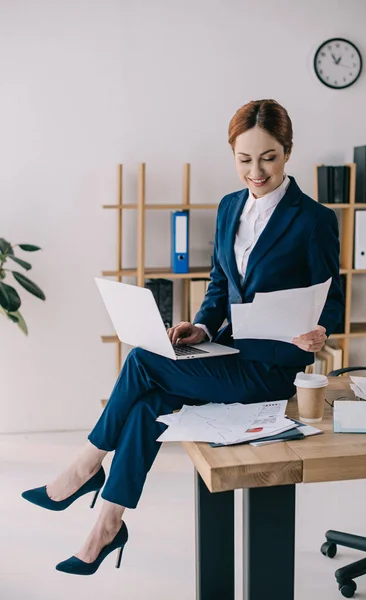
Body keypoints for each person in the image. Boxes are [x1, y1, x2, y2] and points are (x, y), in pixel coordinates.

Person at [22, 99, 344, 575]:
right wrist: (202, 328)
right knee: (149, 403)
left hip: (270, 371)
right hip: (226, 353)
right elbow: (219, 283)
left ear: (287, 151)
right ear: (233, 154)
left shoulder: (313, 219)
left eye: (268, 158)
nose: (255, 171)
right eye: (244, 158)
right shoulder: (230, 207)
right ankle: (108, 524)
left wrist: (320, 332)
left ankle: (85, 466)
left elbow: (331, 297)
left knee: (140, 362)